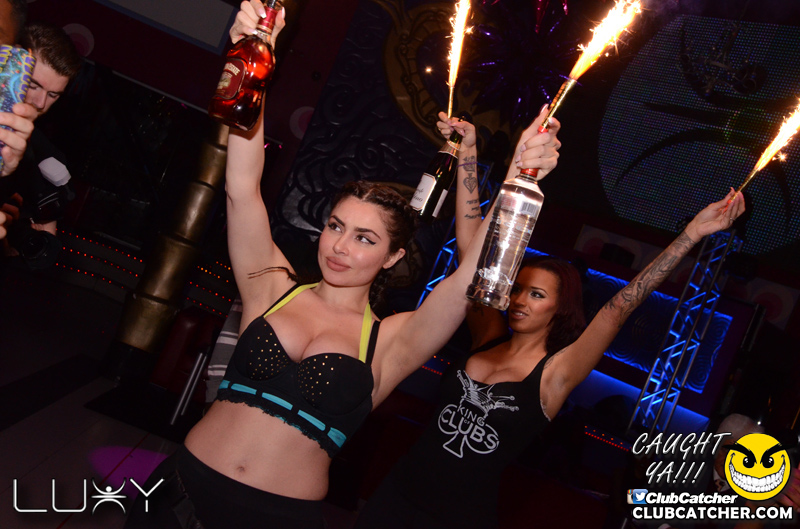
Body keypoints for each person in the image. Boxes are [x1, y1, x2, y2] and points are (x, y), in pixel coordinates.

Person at [123, 2, 562, 528]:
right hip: (182, 490)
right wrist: (255, 60)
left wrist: (518, 177)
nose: (339, 246)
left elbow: (471, 276)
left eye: (364, 238)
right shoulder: (272, 287)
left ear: (393, 257)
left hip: (277, 517)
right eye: (335, 226)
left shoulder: (392, 341)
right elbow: (242, 187)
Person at [353, 115, 747, 529]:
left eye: (537, 295)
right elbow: (473, 256)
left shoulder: (555, 375)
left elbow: (617, 309)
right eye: (519, 289)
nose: (520, 300)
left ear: (561, 309)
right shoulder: (489, 336)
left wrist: (692, 234)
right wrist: (468, 153)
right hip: (396, 496)